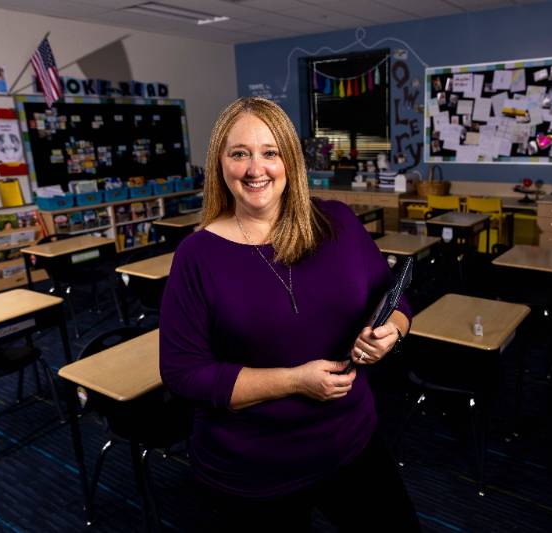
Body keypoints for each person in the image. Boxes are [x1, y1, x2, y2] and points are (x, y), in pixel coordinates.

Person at [159, 97, 420, 532]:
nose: (254, 168)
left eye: (269, 152)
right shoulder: (197, 255)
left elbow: (395, 300)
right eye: (238, 153)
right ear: (219, 164)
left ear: (290, 160)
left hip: (352, 442)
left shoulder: (337, 222)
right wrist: (295, 381)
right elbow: (184, 374)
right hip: (254, 469)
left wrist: (391, 331)